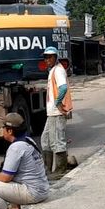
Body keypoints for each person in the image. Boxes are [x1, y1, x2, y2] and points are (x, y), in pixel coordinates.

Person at [0, 113, 49, 209]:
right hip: (42, 188)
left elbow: (6, 177)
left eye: (3, 128)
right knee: (11, 177)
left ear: (10, 131)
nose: (2, 130)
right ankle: (15, 208)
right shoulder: (28, 140)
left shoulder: (16, 147)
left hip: (33, 193)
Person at [40, 46, 72, 180]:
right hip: (52, 113)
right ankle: (47, 170)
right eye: (46, 57)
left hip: (57, 113)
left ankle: (60, 169)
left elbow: (63, 87)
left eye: (50, 57)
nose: (47, 59)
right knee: (45, 140)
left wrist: (58, 102)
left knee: (57, 141)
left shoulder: (58, 70)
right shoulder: (53, 70)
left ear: (55, 57)